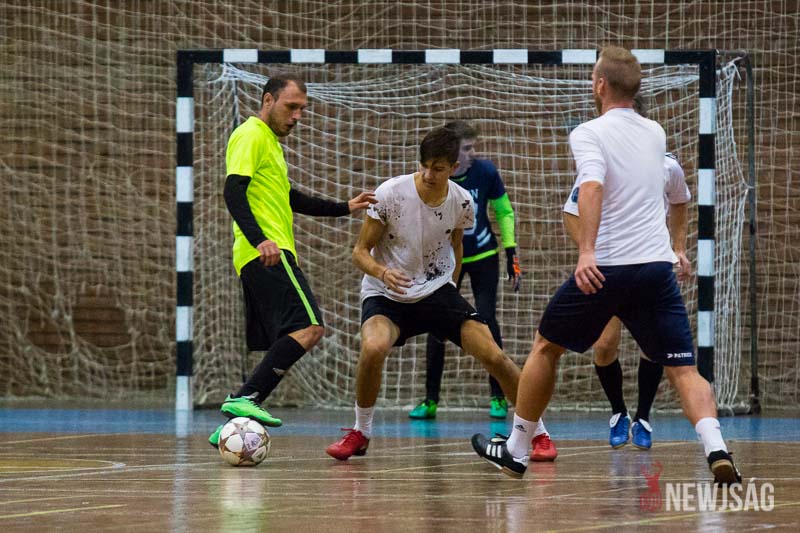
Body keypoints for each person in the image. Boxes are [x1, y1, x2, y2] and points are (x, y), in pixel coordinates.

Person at [471, 46, 741, 484]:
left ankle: (517, 450)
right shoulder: (655, 132)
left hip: (609, 268)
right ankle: (717, 449)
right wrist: (676, 247)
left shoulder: (588, 133)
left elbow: (592, 186)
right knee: (684, 368)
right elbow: (674, 195)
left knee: (546, 347)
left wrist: (587, 252)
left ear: (599, 85)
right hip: (655, 270)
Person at [325, 126, 551, 461]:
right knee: (373, 348)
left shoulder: (462, 201)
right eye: (425, 166)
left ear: (454, 168)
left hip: (436, 291)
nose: (429, 174)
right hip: (387, 293)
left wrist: (450, 288)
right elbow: (359, 252)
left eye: (438, 168)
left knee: (495, 356)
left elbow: (456, 246)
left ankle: (539, 434)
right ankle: (361, 431)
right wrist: (383, 272)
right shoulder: (390, 194)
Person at [208, 74, 376, 448]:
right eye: (291, 106)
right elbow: (232, 191)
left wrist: (344, 207)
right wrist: (260, 240)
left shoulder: (270, 143)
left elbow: (289, 198)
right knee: (309, 327)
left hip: (263, 253)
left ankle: (235, 420)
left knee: (295, 331)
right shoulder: (250, 134)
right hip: (266, 252)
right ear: (268, 100)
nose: (298, 115)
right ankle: (245, 398)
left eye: (302, 109)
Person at [563, 94, 692, 450]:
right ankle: (618, 412)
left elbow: (681, 201)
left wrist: (679, 248)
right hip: (609, 269)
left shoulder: (666, 165)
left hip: (648, 267)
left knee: (654, 346)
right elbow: (571, 213)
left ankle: (643, 416)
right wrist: (590, 251)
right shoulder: (601, 166)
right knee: (605, 344)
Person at [408, 120, 523, 421]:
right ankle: (430, 399)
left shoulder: (485, 172)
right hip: (446, 259)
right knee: (437, 323)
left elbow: (504, 211)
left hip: (483, 255)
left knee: (486, 319)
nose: (474, 153)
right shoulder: (433, 179)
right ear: (453, 154)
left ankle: (498, 396)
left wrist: (511, 251)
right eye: (468, 148)